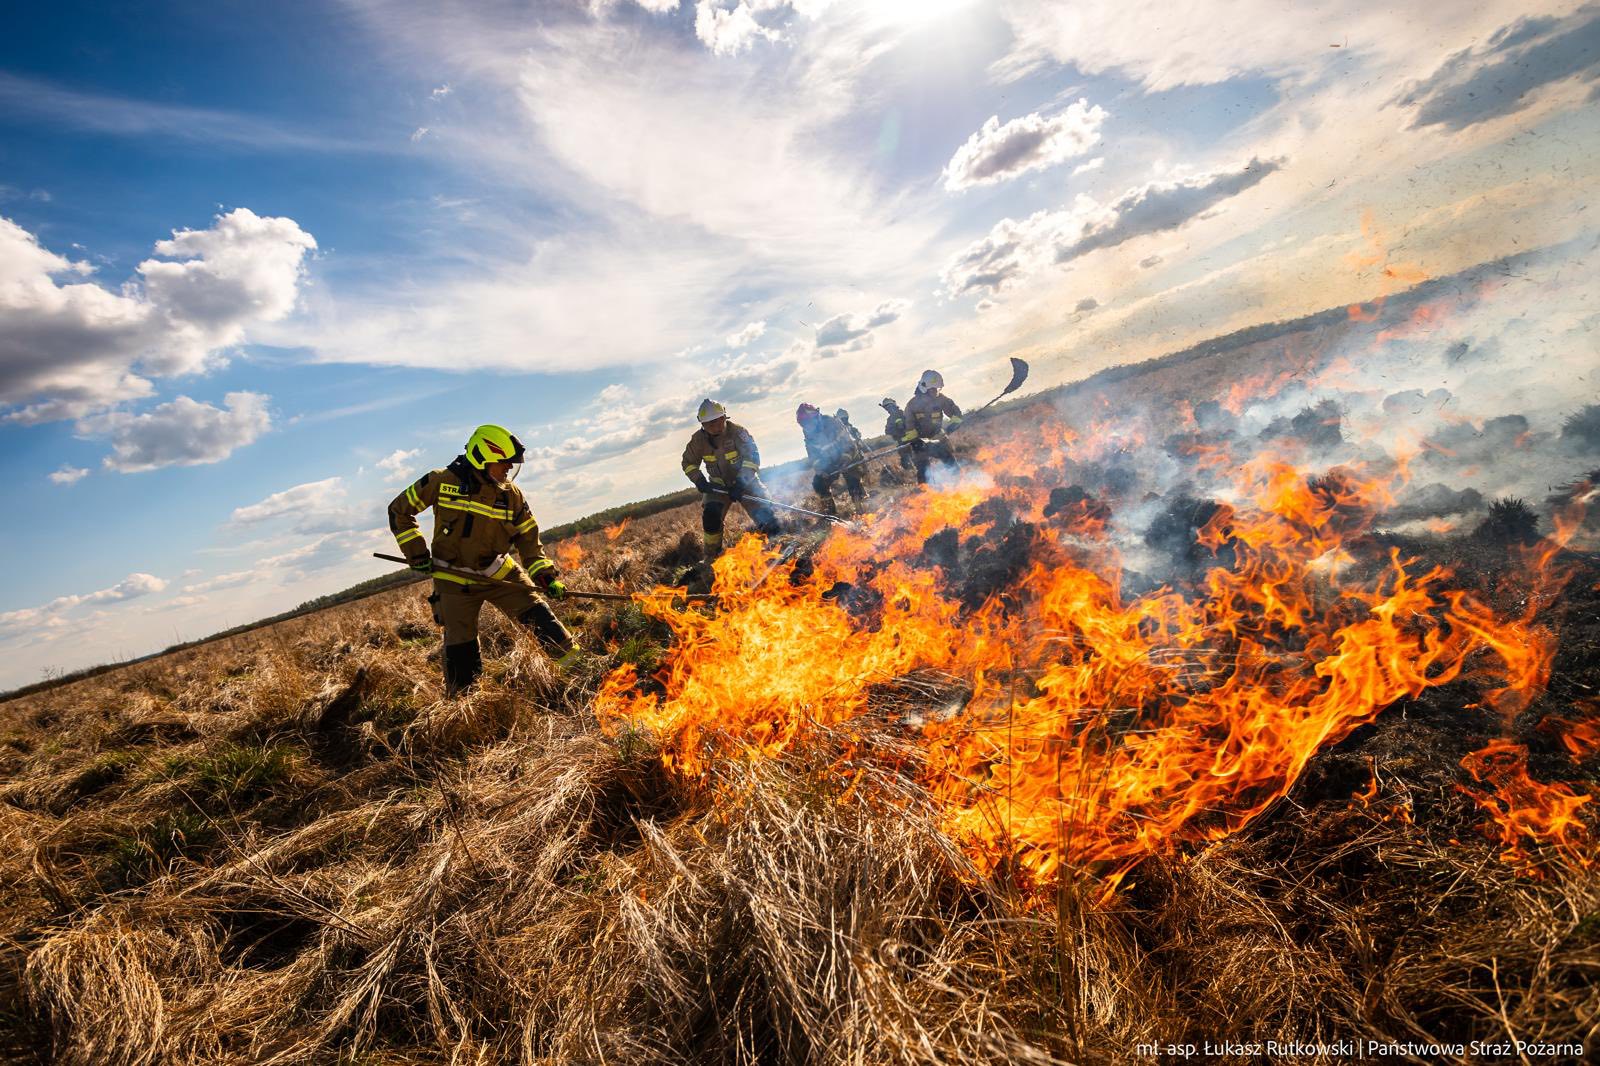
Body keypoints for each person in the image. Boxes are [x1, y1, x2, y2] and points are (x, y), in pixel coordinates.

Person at [388, 425, 578, 696]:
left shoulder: (511, 495)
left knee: (540, 617)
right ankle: (468, 705)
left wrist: (544, 574)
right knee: (460, 647)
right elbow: (399, 511)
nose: (509, 469)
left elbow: (528, 537)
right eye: (504, 463)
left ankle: (581, 672)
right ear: (482, 457)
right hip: (453, 579)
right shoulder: (440, 481)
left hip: (498, 571)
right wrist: (416, 554)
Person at [681, 399, 781, 559]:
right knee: (711, 516)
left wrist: (741, 483)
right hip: (717, 487)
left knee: (765, 515)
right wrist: (699, 480)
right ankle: (712, 557)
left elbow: (752, 457)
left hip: (746, 483)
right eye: (710, 423)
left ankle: (778, 544)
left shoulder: (738, 433)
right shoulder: (697, 441)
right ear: (703, 425)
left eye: (719, 420)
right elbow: (688, 463)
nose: (716, 426)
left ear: (725, 417)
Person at [796, 403, 866, 515]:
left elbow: (850, 445)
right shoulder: (808, 434)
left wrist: (845, 460)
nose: (808, 427)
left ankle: (860, 507)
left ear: (816, 417)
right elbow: (813, 456)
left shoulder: (832, 423)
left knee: (852, 476)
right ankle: (831, 514)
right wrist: (820, 470)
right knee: (818, 483)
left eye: (809, 423)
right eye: (804, 425)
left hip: (848, 457)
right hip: (829, 463)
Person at [900, 370, 964, 484]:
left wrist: (953, 425)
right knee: (923, 471)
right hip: (920, 443)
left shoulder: (941, 399)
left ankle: (961, 485)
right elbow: (909, 427)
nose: (935, 392)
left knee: (952, 465)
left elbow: (955, 413)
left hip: (938, 438)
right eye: (933, 389)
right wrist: (915, 442)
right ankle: (925, 496)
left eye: (937, 389)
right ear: (924, 387)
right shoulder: (912, 405)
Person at [878, 397, 915, 476]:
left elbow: (913, 421)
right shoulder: (890, 419)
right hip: (902, 443)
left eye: (890, 406)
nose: (889, 409)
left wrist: (905, 426)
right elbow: (888, 431)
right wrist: (896, 430)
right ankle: (911, 476)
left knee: (918, 458)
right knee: (906, 461)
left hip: (914, 440)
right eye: (887, 407)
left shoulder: (904, 413)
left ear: (894, 405)